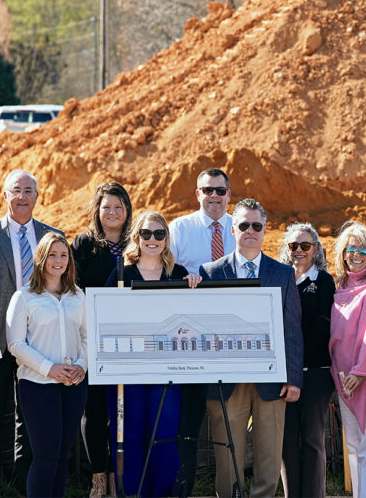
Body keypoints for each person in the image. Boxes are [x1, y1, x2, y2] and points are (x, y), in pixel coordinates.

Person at [200, 198, 303, 498]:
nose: (250, 231)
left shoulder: (282, 274)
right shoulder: (210, 272)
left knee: (269, 455)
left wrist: (294, 377)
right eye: (244, 225)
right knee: (226, 457)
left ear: (265, 230)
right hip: (226, 381)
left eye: (256, 225)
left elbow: (292, 329)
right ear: (232, 229)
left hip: (271, 381)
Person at [0, 170, 62, 498]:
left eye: (28, 191)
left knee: (31, 419)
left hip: (38, 346)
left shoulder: (53, 237)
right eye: (16, 191)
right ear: (4, 195)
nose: (22, 197)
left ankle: (27, 485)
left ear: (37, 196)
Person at [106, 211, 201, 498]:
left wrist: (196, 286)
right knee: (131, 432)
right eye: (146, 234)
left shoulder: (179, 273)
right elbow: (107, 315)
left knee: (164, 432)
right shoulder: (121, 272)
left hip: (168, 369)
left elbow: (193, 320)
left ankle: (161, 491)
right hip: (129, 367)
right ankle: (135, 493)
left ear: (166, 239)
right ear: (137, 236)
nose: (152, 240)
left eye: (159, 234)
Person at [168, 167, 236, 497]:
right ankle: (182, 490)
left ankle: (231, 489)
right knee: (187, 424)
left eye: (220, 191)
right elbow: (166, 276)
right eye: (207, 190)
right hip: (188, 342)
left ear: (228, 195)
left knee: (231, 422)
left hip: (232, 339)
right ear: (197, 194)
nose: (213, 196)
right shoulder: (179, 229)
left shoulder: (242, 228)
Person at [6, 232, 88, 498]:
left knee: (62, 455)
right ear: (41, 258)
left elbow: (87, 337)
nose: (58, 260)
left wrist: (81, 365)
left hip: (74, 385)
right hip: (38, 386)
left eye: (63, 255)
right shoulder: (24, 297)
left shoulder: (78, 296)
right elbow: (15, 344)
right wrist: (49, 368)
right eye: (52, 254)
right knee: (45, 456)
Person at [71, 182, 132, 498]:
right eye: (106, 206)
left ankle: (121, 476)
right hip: (93, 340)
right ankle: (98, 477)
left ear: (127, 211)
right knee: (95, 411)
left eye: (118, 207)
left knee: (124, 411)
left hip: (133, 343)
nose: (112, 212)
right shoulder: (83, 244)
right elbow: (72, 288)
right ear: (97, 211)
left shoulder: (137, 244)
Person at [329, 221, 366, 498]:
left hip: (365, 377)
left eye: (363, 249)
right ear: (343, 252)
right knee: (352, 446)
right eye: (351, 247)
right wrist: (343, 374)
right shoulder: (339, 287)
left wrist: (360, 371)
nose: (356, 254)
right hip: (343, 379)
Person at [279, 222, 335, 498]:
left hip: (315, 371)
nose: (299, 250)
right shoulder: (281, 279)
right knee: (287, 440)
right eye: (293, 245)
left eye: (305, 245)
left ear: (315, 249)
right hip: (285, 372)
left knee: (312, 439)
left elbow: (322, 326)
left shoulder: (324, 281)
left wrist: (299, 360)